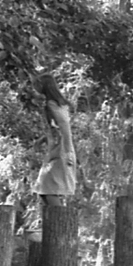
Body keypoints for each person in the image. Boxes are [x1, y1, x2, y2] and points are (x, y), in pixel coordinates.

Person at [31, 73, 75, 205]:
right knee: (43, 189)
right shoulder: (57, 104)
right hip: (59, 148)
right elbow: (57, 127)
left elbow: (63, 126)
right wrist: (43, 139)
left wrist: (62, 151)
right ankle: (56, 219)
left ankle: (61, 220)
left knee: (48, 188)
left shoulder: (52, 104)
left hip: (61, 149)